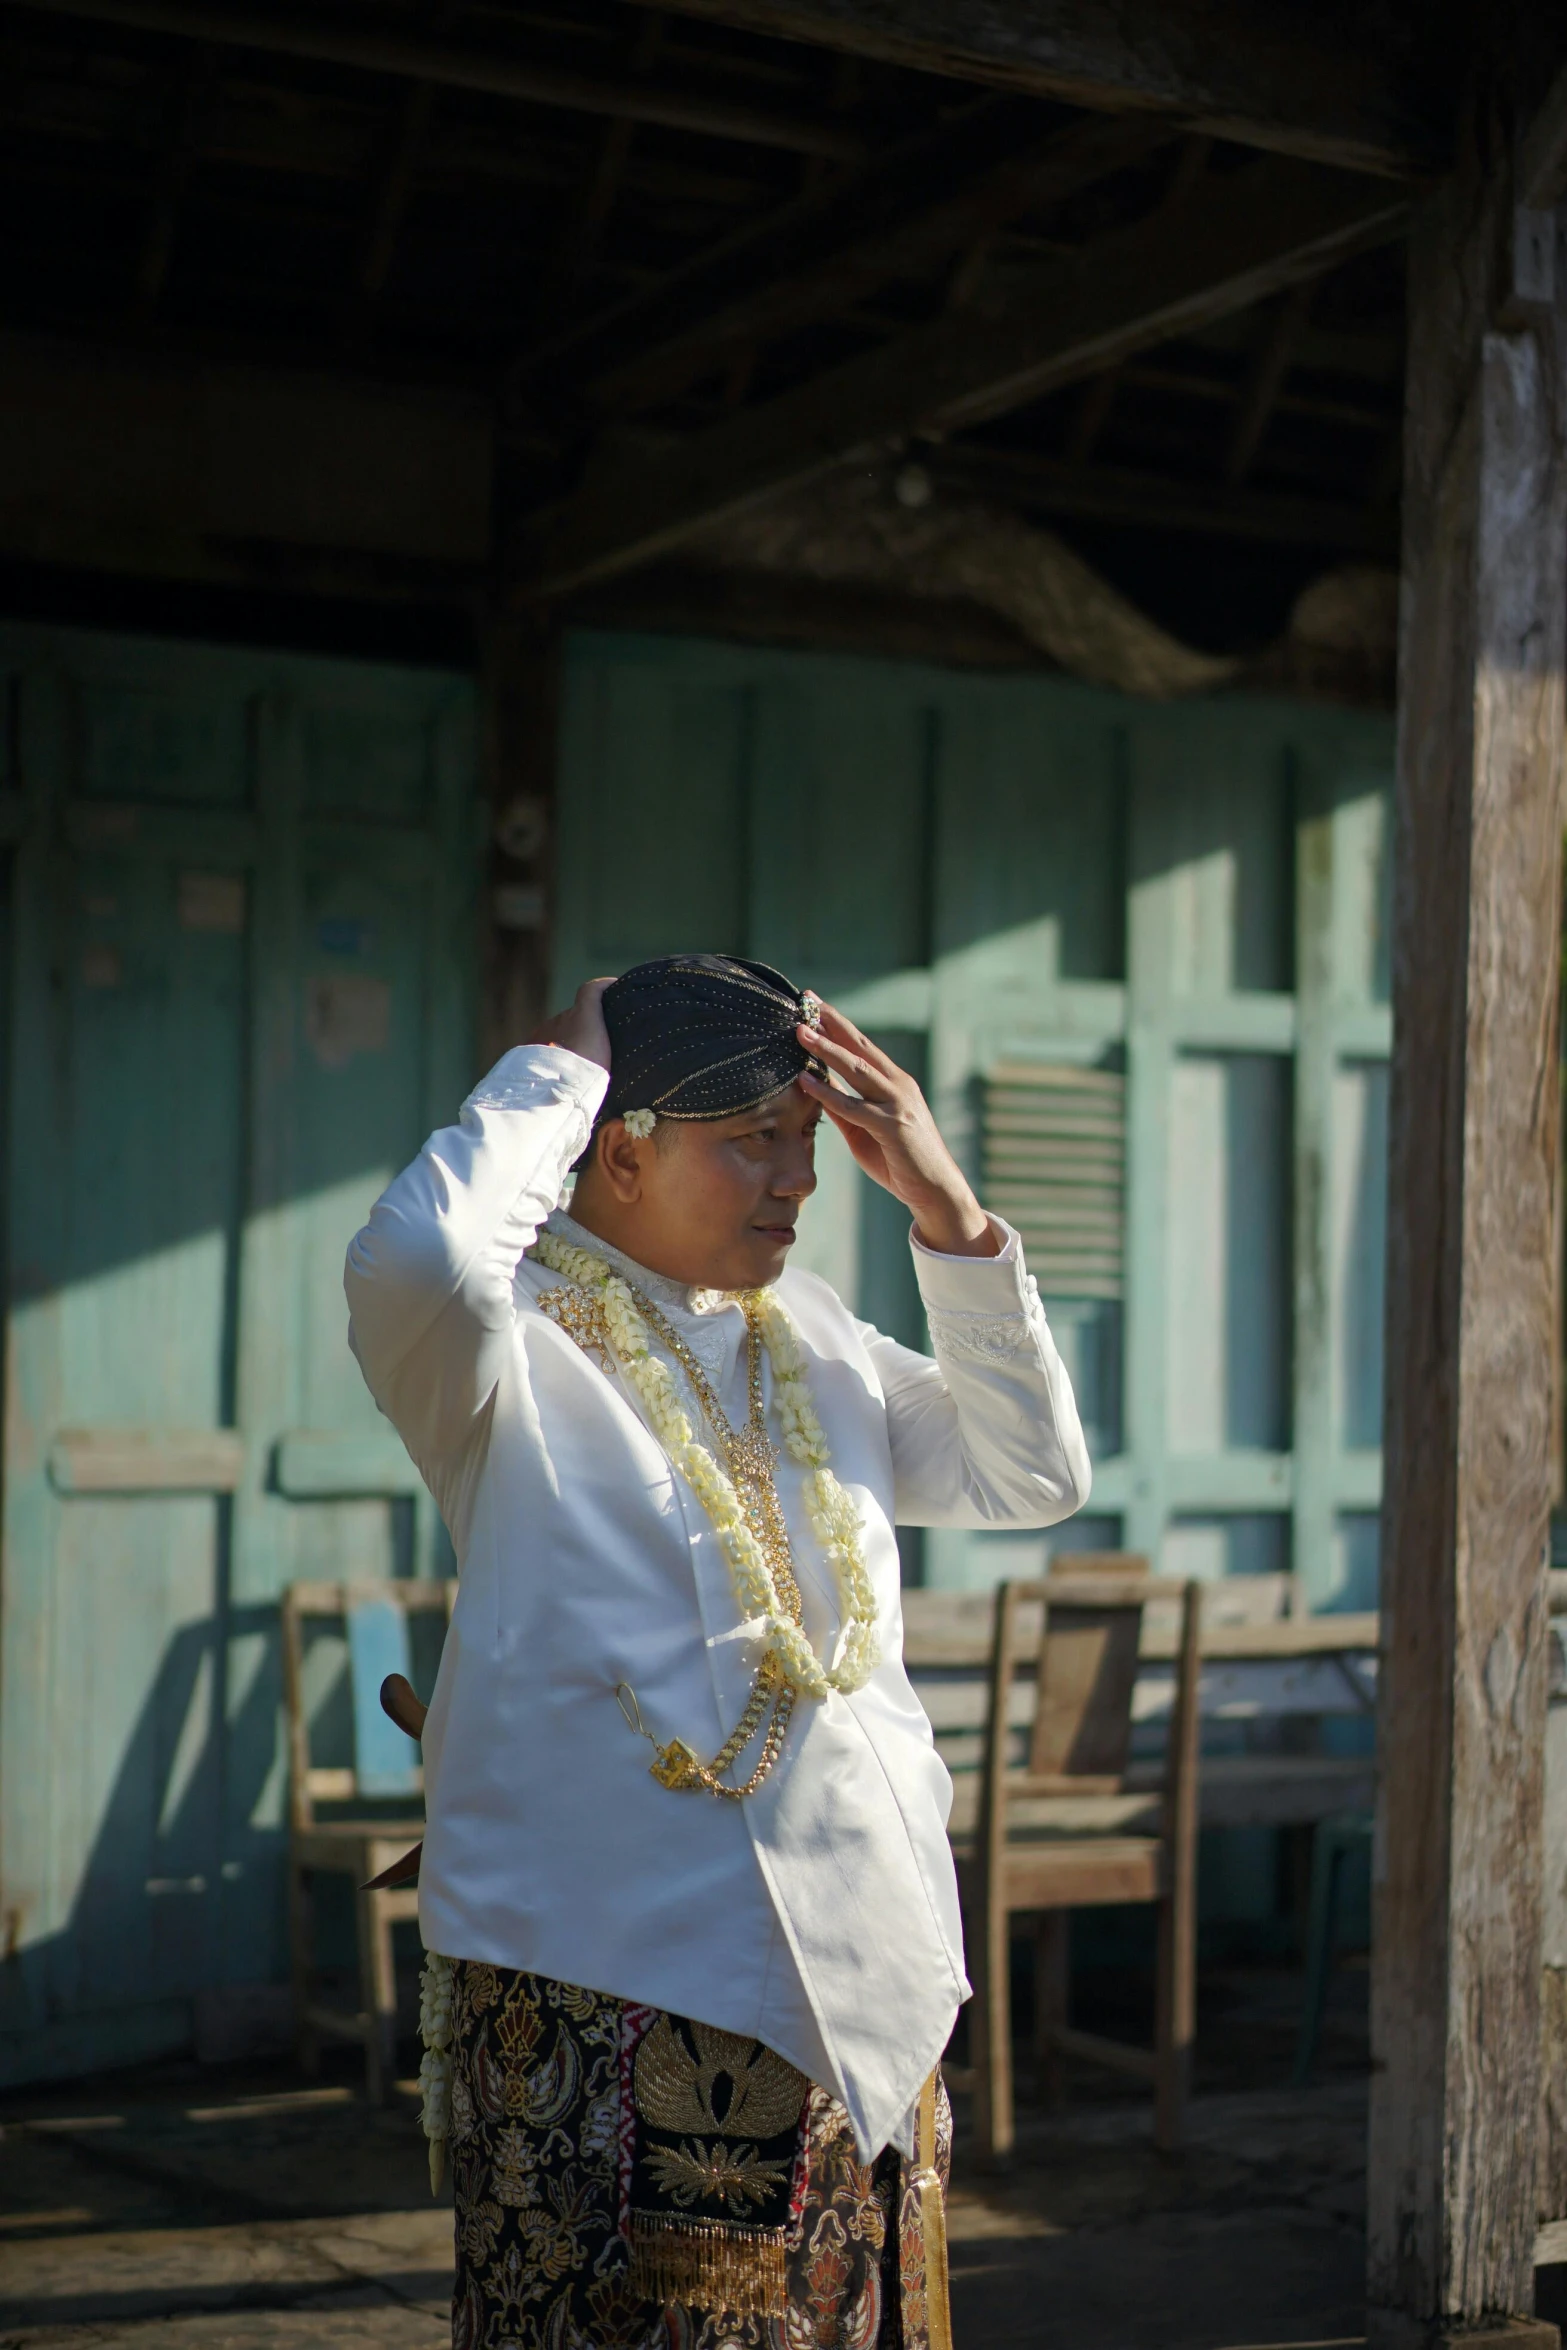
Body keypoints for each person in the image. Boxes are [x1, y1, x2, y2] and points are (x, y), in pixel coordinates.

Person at [345, 953, 1091, 2350]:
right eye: (750, 1135)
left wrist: (946, 1205)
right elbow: (417, 1251)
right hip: (619, 1974)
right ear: (616, 1152)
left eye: (806, 1134)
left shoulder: (812, 1337)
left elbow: (1030, 1472)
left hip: (873, 1966)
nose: (797, 1176)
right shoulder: (496, 1348)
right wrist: (562, 1066)